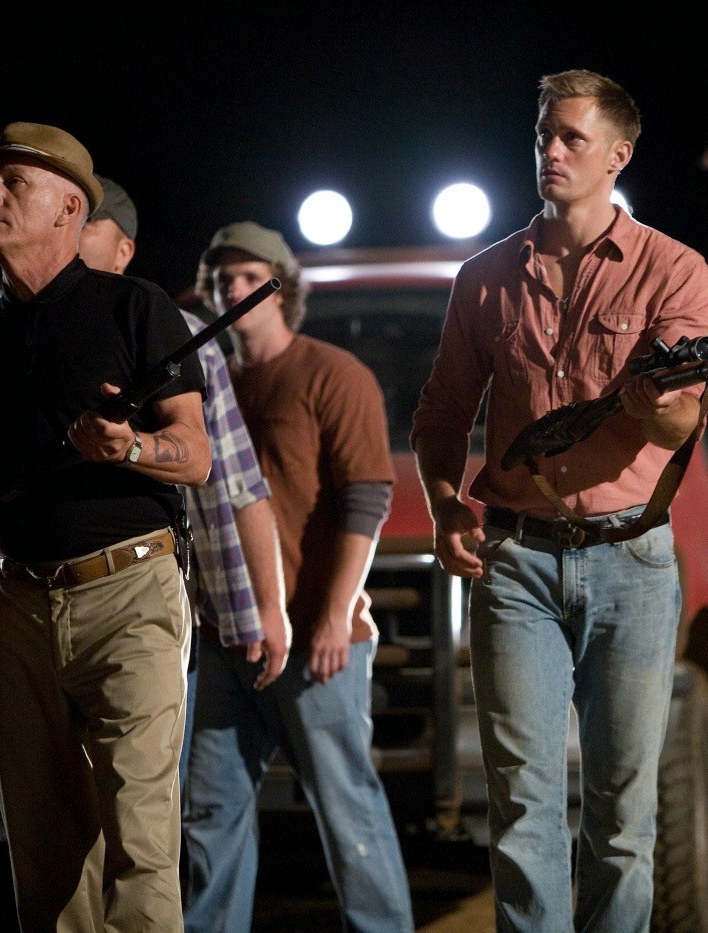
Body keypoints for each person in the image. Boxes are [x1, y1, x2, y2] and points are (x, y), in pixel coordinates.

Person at [412, 69, 708, 930]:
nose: (549, 151)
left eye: (571, 138)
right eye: (543, 134)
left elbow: (683, 418)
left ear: (617, 156)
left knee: (622, 812)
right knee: (523, 805)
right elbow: (441, 412)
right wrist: (444, 504)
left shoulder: (674, 270)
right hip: (515, 560)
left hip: (633, 557)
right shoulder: (484, 277)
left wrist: (661, 406)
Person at [0, 121, 210, 930]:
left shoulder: (135, 308)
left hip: (131, 593)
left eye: (13, 185)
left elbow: (196, 455)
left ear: (70, 207)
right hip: (17, 603)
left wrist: (129, 443)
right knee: (42, 853)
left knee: (138, 839)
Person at [183, 221, 414, 932]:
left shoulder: (330, 375)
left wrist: (334, 615)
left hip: (316, 632)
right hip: (228, 636)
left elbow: (367, 500)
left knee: (345, 803)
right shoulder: (205, 387)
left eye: (251, 277)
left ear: (284, 288)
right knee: (210, 810)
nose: (234, 290)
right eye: (222, 279)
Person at [78, 176, 292, 790]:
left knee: (153, 798)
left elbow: (233, 484)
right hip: (41, 594)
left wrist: (262, 612)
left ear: (123, 250)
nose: (70, 234)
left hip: (157, 606)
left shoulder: (166, 329)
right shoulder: (19, 326)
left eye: (88, 222)